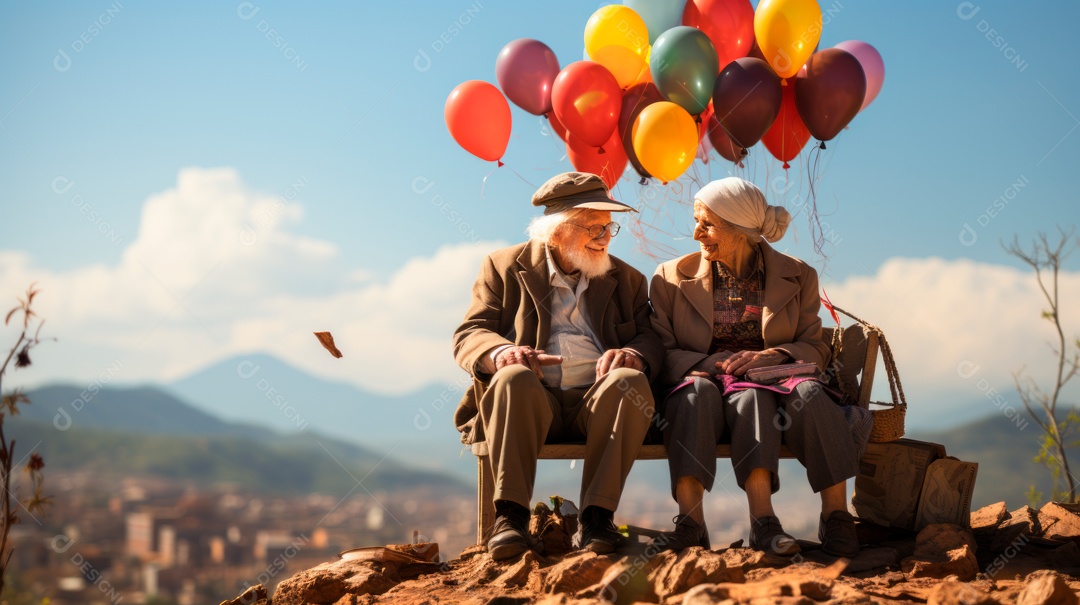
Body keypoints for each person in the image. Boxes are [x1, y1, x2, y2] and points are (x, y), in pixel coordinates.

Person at [647, 177, 872, 557]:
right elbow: (661, 350)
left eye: (707, 224)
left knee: (810, 393)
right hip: (704, 381)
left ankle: (835, 517)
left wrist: (777, 355)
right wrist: (707, 362)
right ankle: (694, 523)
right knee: (699, 395)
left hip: (776, 381)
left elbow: (815, 346)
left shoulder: (799, 275)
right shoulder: (669, 277)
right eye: (697, 221)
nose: (697, 233)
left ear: (741, 230)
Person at [452, 172, 664, 560]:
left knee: (629, 380)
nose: (605, 237)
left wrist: (634, 354)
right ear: (555, 232)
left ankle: (597, 520)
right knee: (513, 376)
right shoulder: (502, 267)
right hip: (531, 400)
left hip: (597, 402)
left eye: (609, 227)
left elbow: (649, 338)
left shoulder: (628, 280)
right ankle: (511, 518)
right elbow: (470, 333)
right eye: (593, 227)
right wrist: (502, 353)